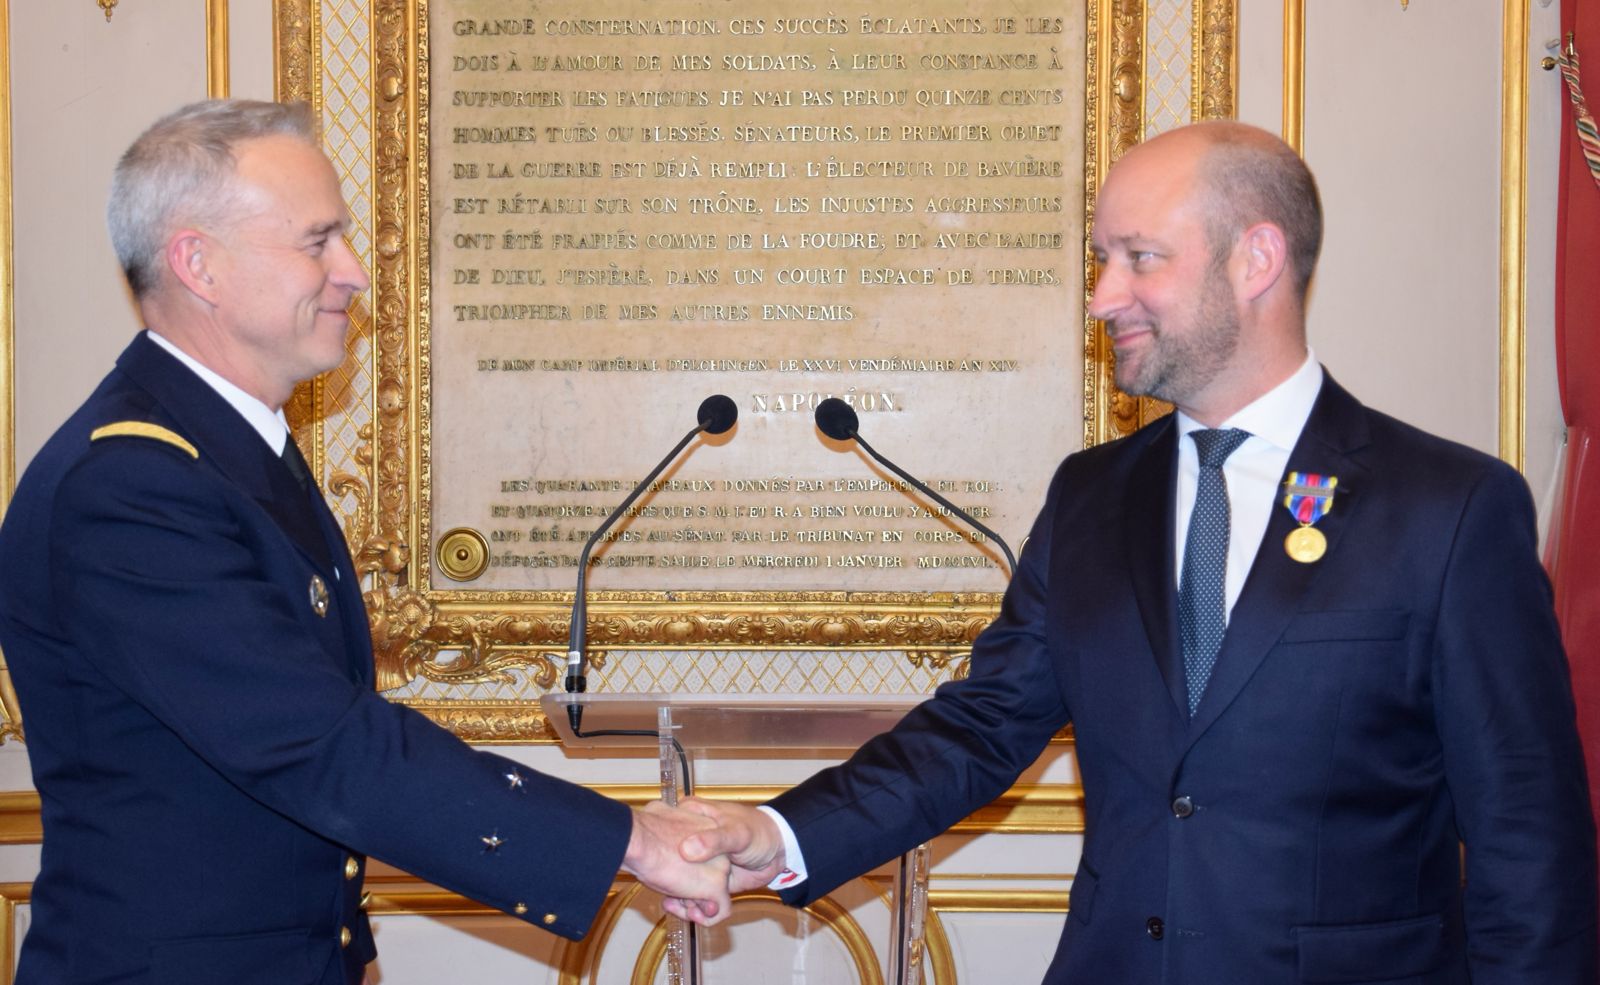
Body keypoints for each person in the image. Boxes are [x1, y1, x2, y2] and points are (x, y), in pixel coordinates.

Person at [677, 121, 1600, 983]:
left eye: (1140, 258)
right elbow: (981, 727)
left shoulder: (1448, 508)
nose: (1102, 297)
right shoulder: (1091, 495)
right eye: (1101, 261)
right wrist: (780, 833)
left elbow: (1529, 841)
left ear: (1256, 259)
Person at [0, 99, 728, 985]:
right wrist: (631, 840)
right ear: (199, 264)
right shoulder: (129, 484)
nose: (351, 273)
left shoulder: (227, 453)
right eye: (318, 242)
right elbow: (320, 743)